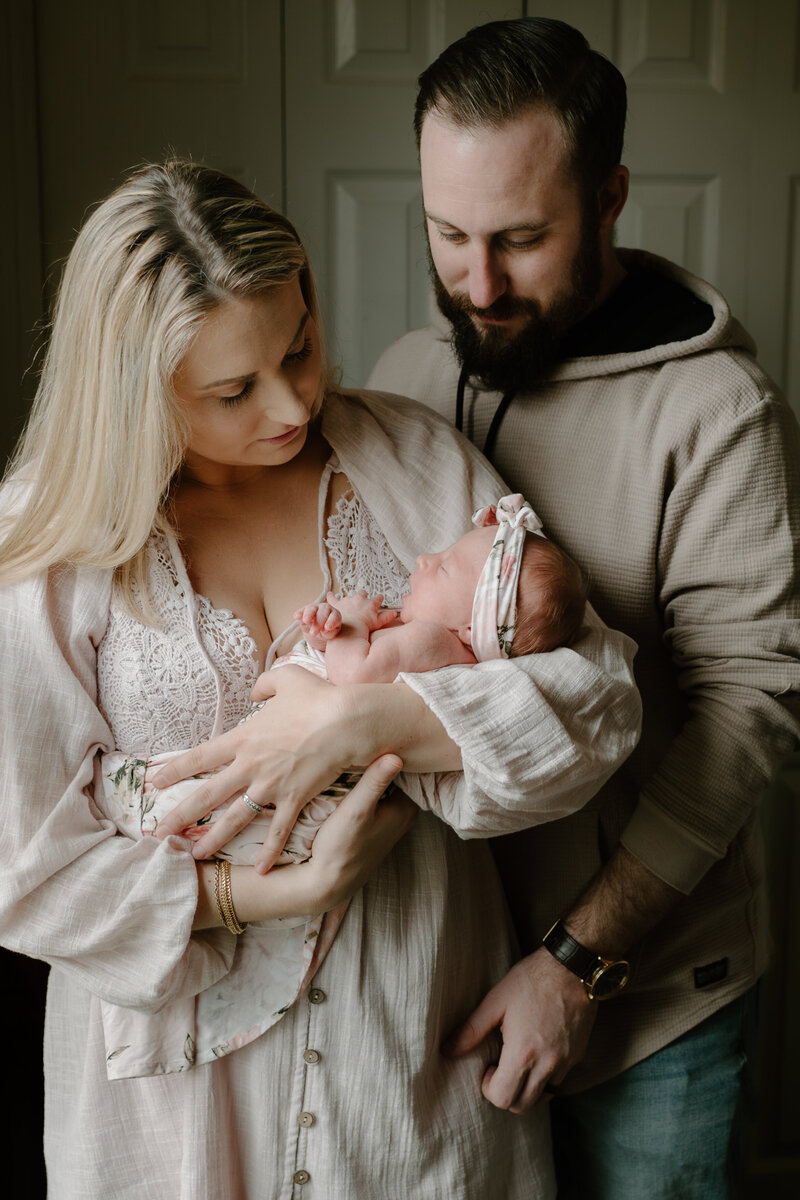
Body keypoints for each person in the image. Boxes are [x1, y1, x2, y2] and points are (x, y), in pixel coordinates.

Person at [0, 159, 640, 1198]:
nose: (295, 400)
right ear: (133, 392)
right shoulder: (44, 543)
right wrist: (266, 892)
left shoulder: (407, 460)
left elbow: (595, 705)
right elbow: (21, 862)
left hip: (408, 1049)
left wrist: (373, 718)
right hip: (173, 1096)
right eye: (233, 388)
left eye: (298, 345)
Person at [367, 16, 800, 1199]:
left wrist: (573, 967)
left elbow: (747, 712)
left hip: (645, 1002)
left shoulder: (719, 416)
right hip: (440, 978)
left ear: (607, 196)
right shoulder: (408, 376)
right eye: (446, 234)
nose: (478, 283)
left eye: (520, 238)